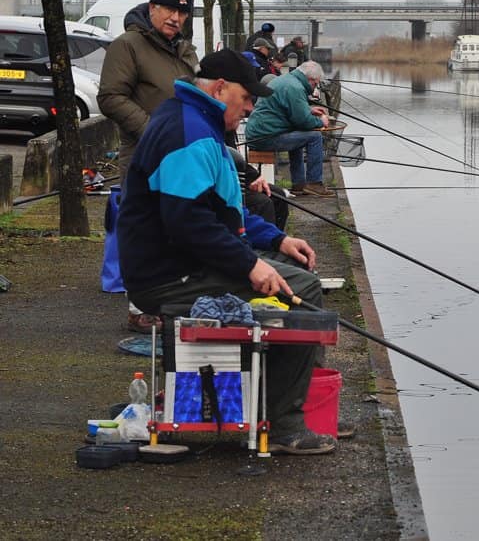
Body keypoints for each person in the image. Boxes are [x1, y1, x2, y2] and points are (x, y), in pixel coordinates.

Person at [116, 48, 335, 455]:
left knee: (297, 274)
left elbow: (224, 211)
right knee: (302, 295)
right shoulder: (189, 134)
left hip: (184, 262)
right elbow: (187, 222)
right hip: (167, 276)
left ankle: (296, 407)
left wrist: (276, 240)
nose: (249, 107)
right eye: (246, 99)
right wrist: (250, 266)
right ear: (220, 89)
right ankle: (286, 424)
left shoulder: (196, 122)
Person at [98, 0, 200, 334]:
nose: (176, 18)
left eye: (183, 13)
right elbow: (110, 97)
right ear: (153, 6)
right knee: (143, 232)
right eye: (169, 9)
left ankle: (169, 303)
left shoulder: (185, 49)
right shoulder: (128, 45)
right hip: (143, 154)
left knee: (175, 229)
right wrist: (153, 130)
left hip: (183, 155)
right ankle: (138, 308)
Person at [244, 60, 334, 197]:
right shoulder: (295, 88)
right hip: (266, 137)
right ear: (310, 79)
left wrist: (308, 109)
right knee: (314, 137)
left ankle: (298, 184)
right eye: (315, 84)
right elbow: (303, 121)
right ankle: (314, 183)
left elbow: (289, 109)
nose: (315, 87)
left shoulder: (287, 81)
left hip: (259, 132)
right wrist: (321, 121)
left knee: (298, 136)